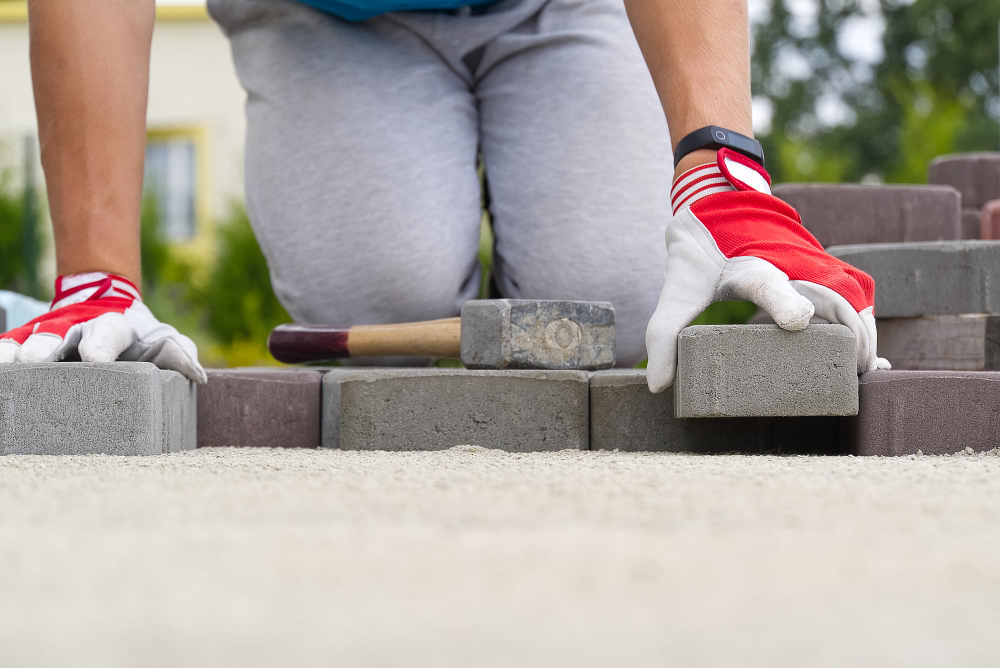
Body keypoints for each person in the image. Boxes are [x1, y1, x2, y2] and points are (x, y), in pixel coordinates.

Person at [0, 0, 886, 392]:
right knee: (381, 296)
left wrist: (721, 173)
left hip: (564, 4)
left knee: (615, 305)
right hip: (330, 15)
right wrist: (96, 272)